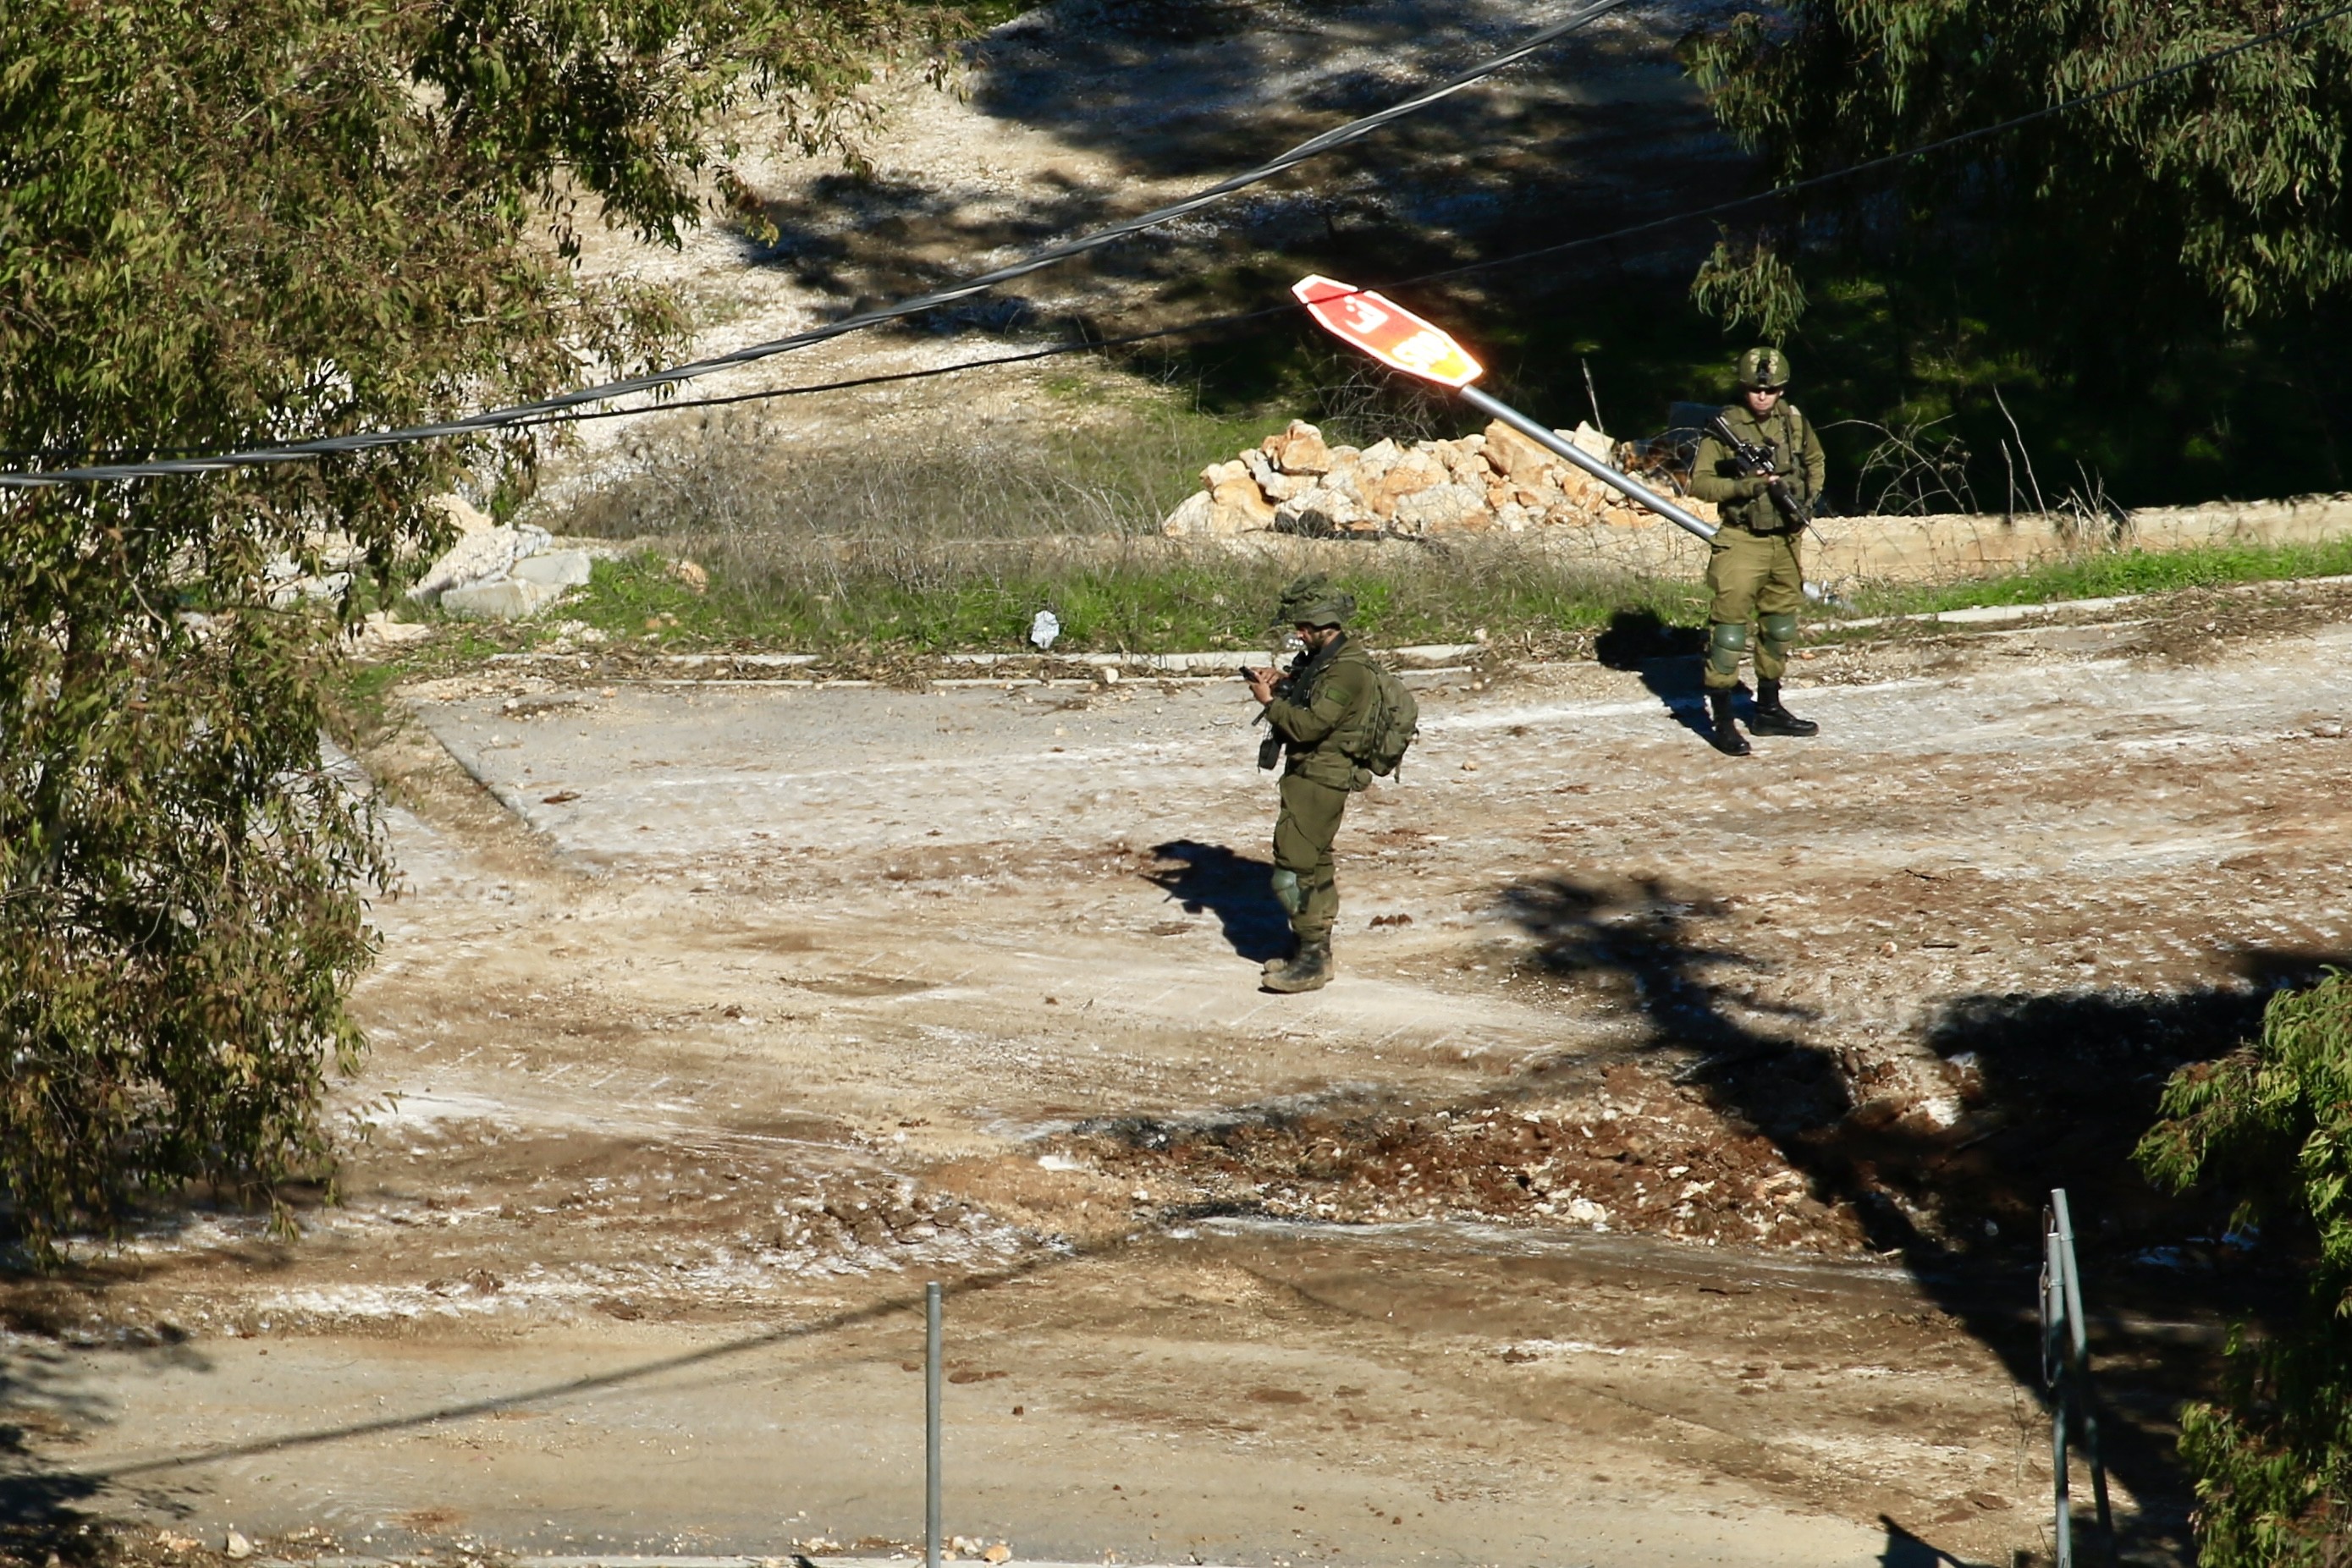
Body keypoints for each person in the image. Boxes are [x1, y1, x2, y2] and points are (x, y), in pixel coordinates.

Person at [1242, 575, 1381, 994]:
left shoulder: (1347, 670)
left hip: (1323, 775)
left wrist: (1268, 702)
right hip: (1311, 772)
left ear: (1329, 626)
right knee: (1315, 861)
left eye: (1306, 628)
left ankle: (1313, 958)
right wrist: (1285, 682)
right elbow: (1314, 698)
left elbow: (1308, 726)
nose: (1300, 634)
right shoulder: (1329, 661)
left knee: (1293, 866)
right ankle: (1310, 946)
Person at [1687, 345, 1828, 756]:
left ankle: (1768, 708)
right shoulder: (1724, 426)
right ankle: (1724, 720)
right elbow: (1700, 483)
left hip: (1785, 539)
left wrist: (1807, 502)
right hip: (1742, 540)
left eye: (1771, 390)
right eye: (1755, 390)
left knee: (1780, 626)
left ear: (1782, 390)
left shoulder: (1796, 422)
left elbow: (1816, 461)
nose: (1762, 397)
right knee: (1729, 632)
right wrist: (1744, 486)